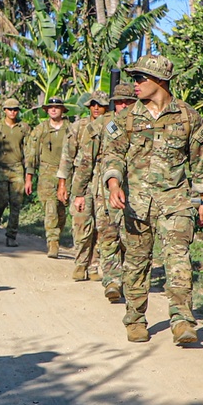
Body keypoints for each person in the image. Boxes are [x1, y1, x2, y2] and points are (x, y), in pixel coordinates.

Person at [102, 55, 203, 345]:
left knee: (179, 262)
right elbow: (112, 156)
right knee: (137, 265)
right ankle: (136, 318)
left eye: (140, 79)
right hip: (136, 205)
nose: (135, 85)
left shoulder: (189, 118)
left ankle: (182, 321)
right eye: (134, 78)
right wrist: (113, 184)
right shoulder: (124, 119)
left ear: (160, 81)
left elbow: (200, 163)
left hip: (176, 203)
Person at [71, 85, 136, 301]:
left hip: (137, 190)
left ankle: (129, 279)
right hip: (104, 189)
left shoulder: (144, 123)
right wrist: (79, 192)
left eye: (127, 102)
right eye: (118, 102)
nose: (123, 106)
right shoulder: (101, 126)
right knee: (108, 234)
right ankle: (112, 281)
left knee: (131, 238)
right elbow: (85, 161)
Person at [58, 92, 107, 280]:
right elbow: (67, 157)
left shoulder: (112, 127)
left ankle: (94, 266)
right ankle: (80, 263)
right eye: (93, 104)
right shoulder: (79, 127)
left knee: (101, 227)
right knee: (81, 222)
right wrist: (62, 184)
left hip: (104, 183)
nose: (96, 108)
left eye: (100, 105)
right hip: (82, 182)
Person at [25, 97, 70, 258]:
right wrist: (29, 177)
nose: (53, 110)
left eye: (57, 107)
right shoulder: (40, 129)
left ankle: (58, 233)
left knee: (62, 209)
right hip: (46, 172)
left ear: (62, 110)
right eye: (50, 107)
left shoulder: (70, 129)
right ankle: (53, 241)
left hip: (66, 172)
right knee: (50, 208)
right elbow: (32, 155)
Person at [0, 98, 31, 247]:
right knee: (0, 202)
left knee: (16, 203)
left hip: (18, 168)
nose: (13, 112)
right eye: (10, 109)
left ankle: (11, 235)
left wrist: (29, 173)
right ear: (4, 110)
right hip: (1, 168)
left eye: (15, 109)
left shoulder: (23, 128)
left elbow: (28, 151)